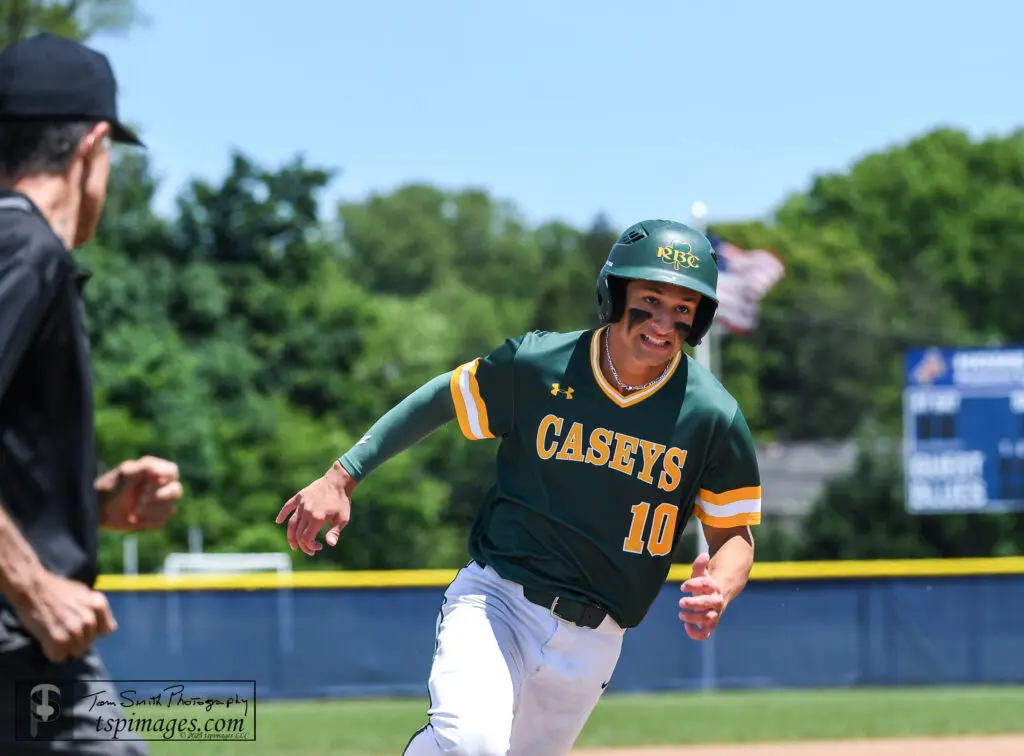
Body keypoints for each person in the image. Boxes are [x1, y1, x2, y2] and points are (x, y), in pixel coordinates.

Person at [276, 219, 763, 756]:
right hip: (499, 602)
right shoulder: (539, 365)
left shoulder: (712, 416)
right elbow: (443, 399)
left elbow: (734, 536)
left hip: (596, 641)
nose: (664, 322)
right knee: (472, 745)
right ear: (615, 293)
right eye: (650, 300)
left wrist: (719, 586)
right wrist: (343, 474)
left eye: (683, 308)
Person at [0, 34, 183, 754]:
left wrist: (86, 504)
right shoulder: (24, 246)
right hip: (19, 646)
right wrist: (32, 586)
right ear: (91, 147)